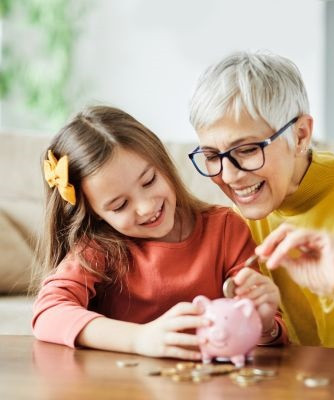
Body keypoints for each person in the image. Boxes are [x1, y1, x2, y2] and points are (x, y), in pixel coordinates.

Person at [32, 105, 286, 360]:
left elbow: (266, 337)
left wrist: (264, 323)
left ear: (162, 163)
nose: (146, 207)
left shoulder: (226, 229)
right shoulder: (98, 248)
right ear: (96, 213)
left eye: (149, 181)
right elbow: (48, 311)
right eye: (120, 205)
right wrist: (138, 339)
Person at [188, 50, 334, 352]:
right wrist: (264, 329)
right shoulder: (236, 223)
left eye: (247, 150)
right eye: (211, 156)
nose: (230, 176)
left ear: (300, 136)